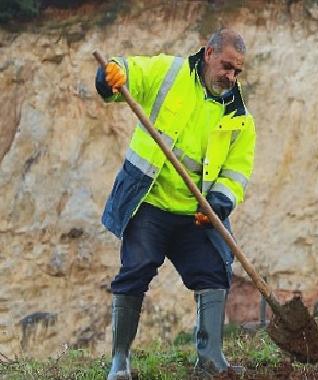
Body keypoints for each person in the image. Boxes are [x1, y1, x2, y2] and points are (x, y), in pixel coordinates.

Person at [95, 29, 255, 379]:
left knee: (214, 269)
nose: (230, 76)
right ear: (209, 53)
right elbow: (127, 71)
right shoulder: (169, 73)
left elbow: (237, 169)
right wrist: (110, 75)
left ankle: (210, 359)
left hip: (196, 214)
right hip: (149, 202)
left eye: (237, 71)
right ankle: (119, 361)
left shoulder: (238, 113)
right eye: (226, 66)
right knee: (136, 270)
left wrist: (219, 202)